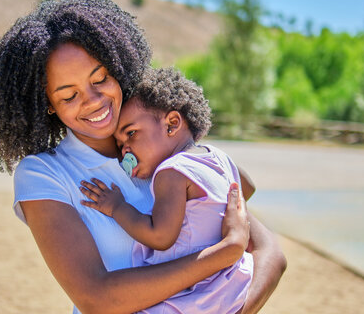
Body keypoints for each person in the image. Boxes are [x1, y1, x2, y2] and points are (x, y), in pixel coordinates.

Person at [0, 0, 286, 314]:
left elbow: (270, 253)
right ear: (48, 103)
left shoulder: (162, 153)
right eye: (69, 95)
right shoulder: (43, 174)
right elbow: (97, 299)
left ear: (116, 66)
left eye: (100, 79)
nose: (92, 100)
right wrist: (224, 253)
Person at [80, 67, 253, 313]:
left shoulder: (171, 171)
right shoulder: (217, 156)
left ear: (172, 124)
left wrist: (117, 207)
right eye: (119, 145)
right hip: (231, 286)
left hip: (193, 296)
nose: (125, 150)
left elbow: (160, 237)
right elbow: (249, 186)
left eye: (131, 134)